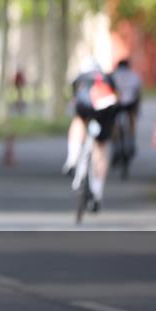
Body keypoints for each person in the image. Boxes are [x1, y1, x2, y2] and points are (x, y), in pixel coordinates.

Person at [62, 56, 119, 212]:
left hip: (86, 105)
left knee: (79, 121)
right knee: (101, 148)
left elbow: (74, 98)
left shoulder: (81, 77)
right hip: (106, 107)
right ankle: (98, 193)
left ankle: (72, 159)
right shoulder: (107, 78)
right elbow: (117, 99)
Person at [111, 58, 142, 153]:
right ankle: (132, 141)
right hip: (130, 103)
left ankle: (116, 146)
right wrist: (138, 109)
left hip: (117, 103)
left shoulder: (113, 75)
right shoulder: (134, 76)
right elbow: (138, 93)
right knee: (132, 118)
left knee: (113, 122)